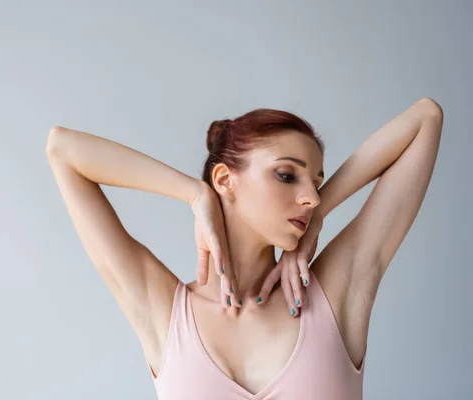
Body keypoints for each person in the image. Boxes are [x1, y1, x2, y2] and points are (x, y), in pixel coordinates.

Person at [45, 97, 443, 399]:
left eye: (317, 184)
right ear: (225, 179)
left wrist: (320, 216)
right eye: (287, 175)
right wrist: (194, 194)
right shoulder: (165, 311)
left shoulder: (334, 295)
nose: (311, 197)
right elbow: (63, 149)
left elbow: (426, 118)